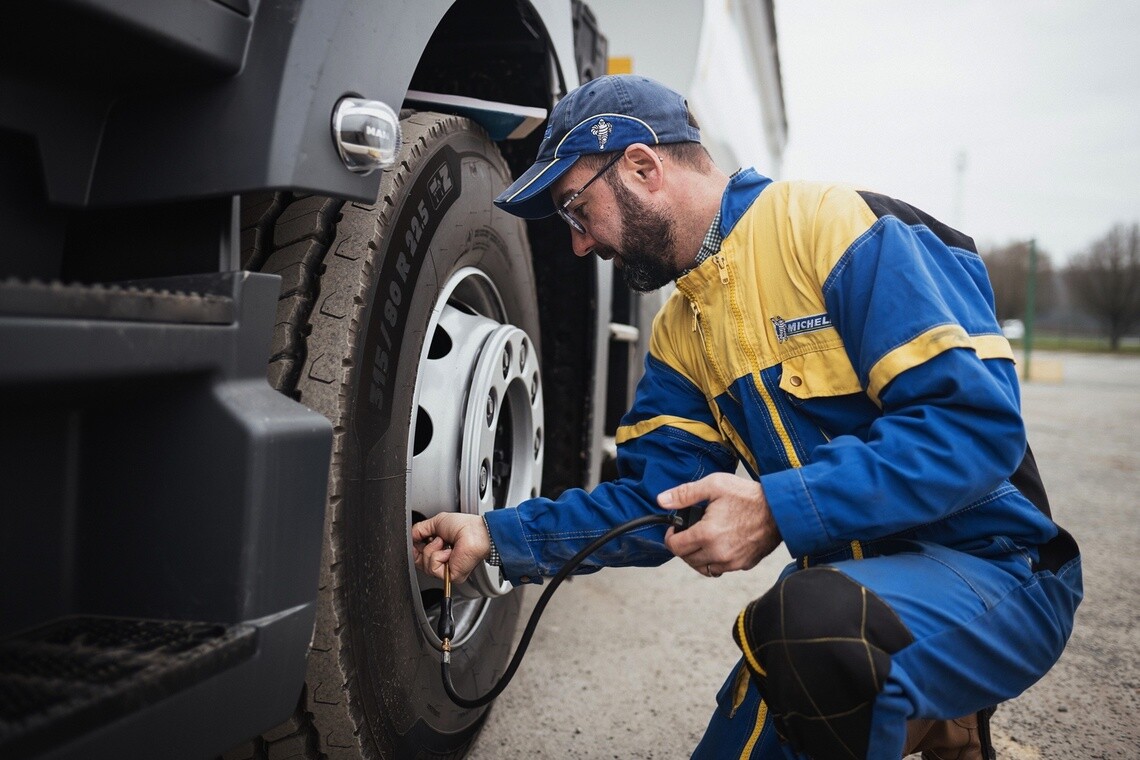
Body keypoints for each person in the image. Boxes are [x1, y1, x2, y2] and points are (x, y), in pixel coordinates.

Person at [412, 74, 1082, 759]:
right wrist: (497, 537)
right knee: (794, 653)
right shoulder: (679, 330)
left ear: (643, 166)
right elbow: (654, 503)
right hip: (843, 606)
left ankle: (926, 699)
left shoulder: (839, 230)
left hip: (998, 574)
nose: (581, 244)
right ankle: (926, 709)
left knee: (808, 631)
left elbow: (974, 429)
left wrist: (777, 506)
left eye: (578, 211)